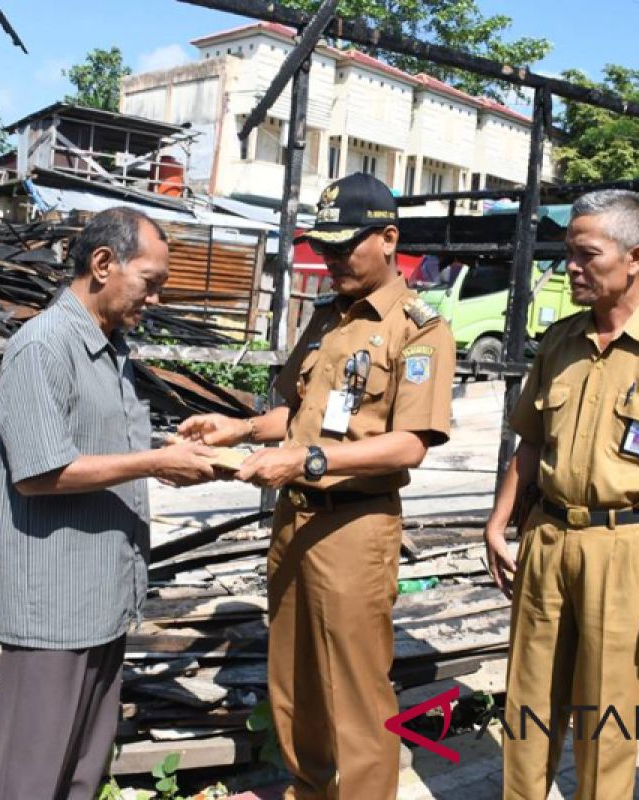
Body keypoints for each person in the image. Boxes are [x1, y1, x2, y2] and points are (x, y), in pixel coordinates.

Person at [179, 172, 456, 799]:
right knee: (295, 685)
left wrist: (305, 462)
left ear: (387, 239)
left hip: (354, 528)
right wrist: (241, 428)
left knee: (356, 699)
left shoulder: (420, 329)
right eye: (323, 248)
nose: (329, 261)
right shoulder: (328, 318)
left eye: (343, 247)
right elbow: (301, 413)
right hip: (295, 523)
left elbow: (410, 443)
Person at [484, 190, 639, 799]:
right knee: (528, 704)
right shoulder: (559, 342)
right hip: (546, 539)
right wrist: (498, 523)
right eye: (567, 253)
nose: (571, 266)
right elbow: (530, 442)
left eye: (585, 254)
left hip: (628, 549)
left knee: (607, 714)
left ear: (635, 258)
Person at [0, 207, 217, 799]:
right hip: (53, 610)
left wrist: (171, 449)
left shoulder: (111, 349)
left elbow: (111, 447)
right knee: (30, 779)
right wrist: (154, 463)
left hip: (101, 598)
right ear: (104, 264)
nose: (155, 298)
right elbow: (39, 473)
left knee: (84, 772)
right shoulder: (42, 347)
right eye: (150, 282)